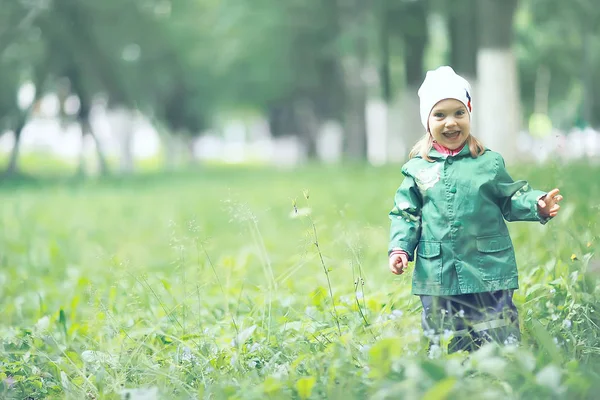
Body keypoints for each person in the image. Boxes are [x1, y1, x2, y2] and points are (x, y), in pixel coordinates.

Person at [387, 66, 563, 353]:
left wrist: (536, 203)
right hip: (438, 272)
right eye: (439, 115)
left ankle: (499, 372)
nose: (450, 123)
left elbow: (510, 197)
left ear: (469, 114)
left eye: (459, 113)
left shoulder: (488, 163)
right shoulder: (418, 170)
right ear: (427, 121)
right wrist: (400, 249)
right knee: (445, 339)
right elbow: (406, 214)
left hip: (488, 268)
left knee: (495, 332)